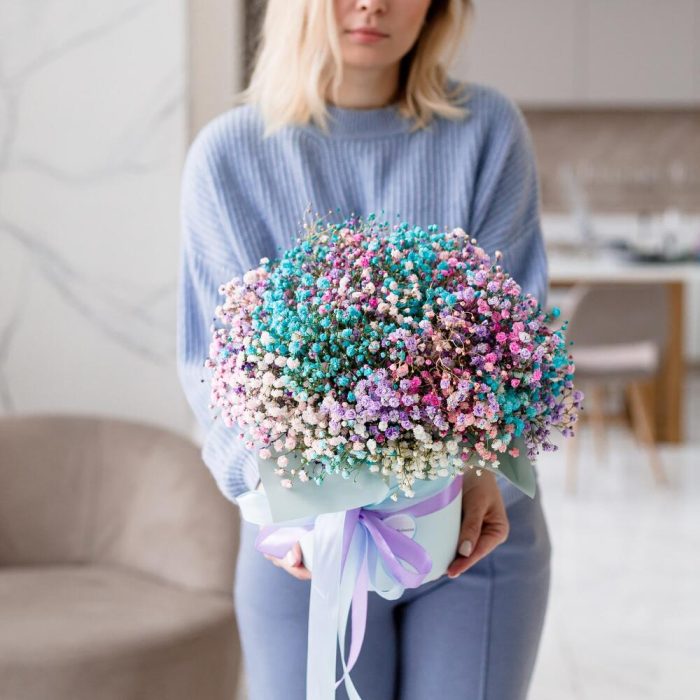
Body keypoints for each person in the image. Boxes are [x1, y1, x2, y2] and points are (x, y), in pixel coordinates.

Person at [176, 1, 552, 698]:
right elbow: (211, 370)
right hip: (304, 545)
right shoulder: (228, 157)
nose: (373, 3)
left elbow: (519, 332)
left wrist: (481, 461)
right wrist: (276, 488)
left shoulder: (487, 131)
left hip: (472, 539)